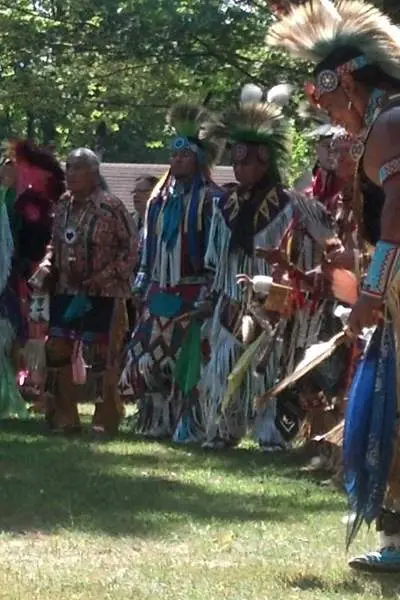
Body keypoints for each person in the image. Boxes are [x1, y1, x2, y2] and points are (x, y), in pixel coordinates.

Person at [267, 0, 400, 572]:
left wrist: (372, 288)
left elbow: (399, 211)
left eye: (326, 104)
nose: (331, 119)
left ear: (345, 83)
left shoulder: (389, 125)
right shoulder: (386, 124)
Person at [201, 86, 335, 449]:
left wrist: (295, 279)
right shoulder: (224, 203)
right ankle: (224, 427)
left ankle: (271, 432)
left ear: (265, 162)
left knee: (270, 365)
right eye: (236, 161)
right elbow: (214, 259)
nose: (239, 168)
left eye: (247, 162)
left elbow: (325, 244)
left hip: (275, 299)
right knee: (225, 362)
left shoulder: (292, 205)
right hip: (231, 296)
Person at [121, 103, 225, 443]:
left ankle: (190, 425)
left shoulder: (212, 200)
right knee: (148, 360)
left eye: (184, 155)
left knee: (189, 364)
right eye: (173, 155)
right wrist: (141, 280)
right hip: (158, 291)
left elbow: (217, 252)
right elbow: (148, 246)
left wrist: (211, 291)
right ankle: (155, 420)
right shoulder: (157, 200)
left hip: (194, 291)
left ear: (198, 160)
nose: (177, 160)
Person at [32, 148, 137, 437]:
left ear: (93, 173)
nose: (71, 174)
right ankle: (65, 417)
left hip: (105, 292)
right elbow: (55, 243)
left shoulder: (111, 206)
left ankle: (105, 418)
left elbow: (131, 249)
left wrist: (103, 277)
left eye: (78, 168)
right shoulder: (63, 204)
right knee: (57, 349)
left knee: (103, 356)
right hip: (67, 289)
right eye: (68, 168)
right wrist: (46, 264)